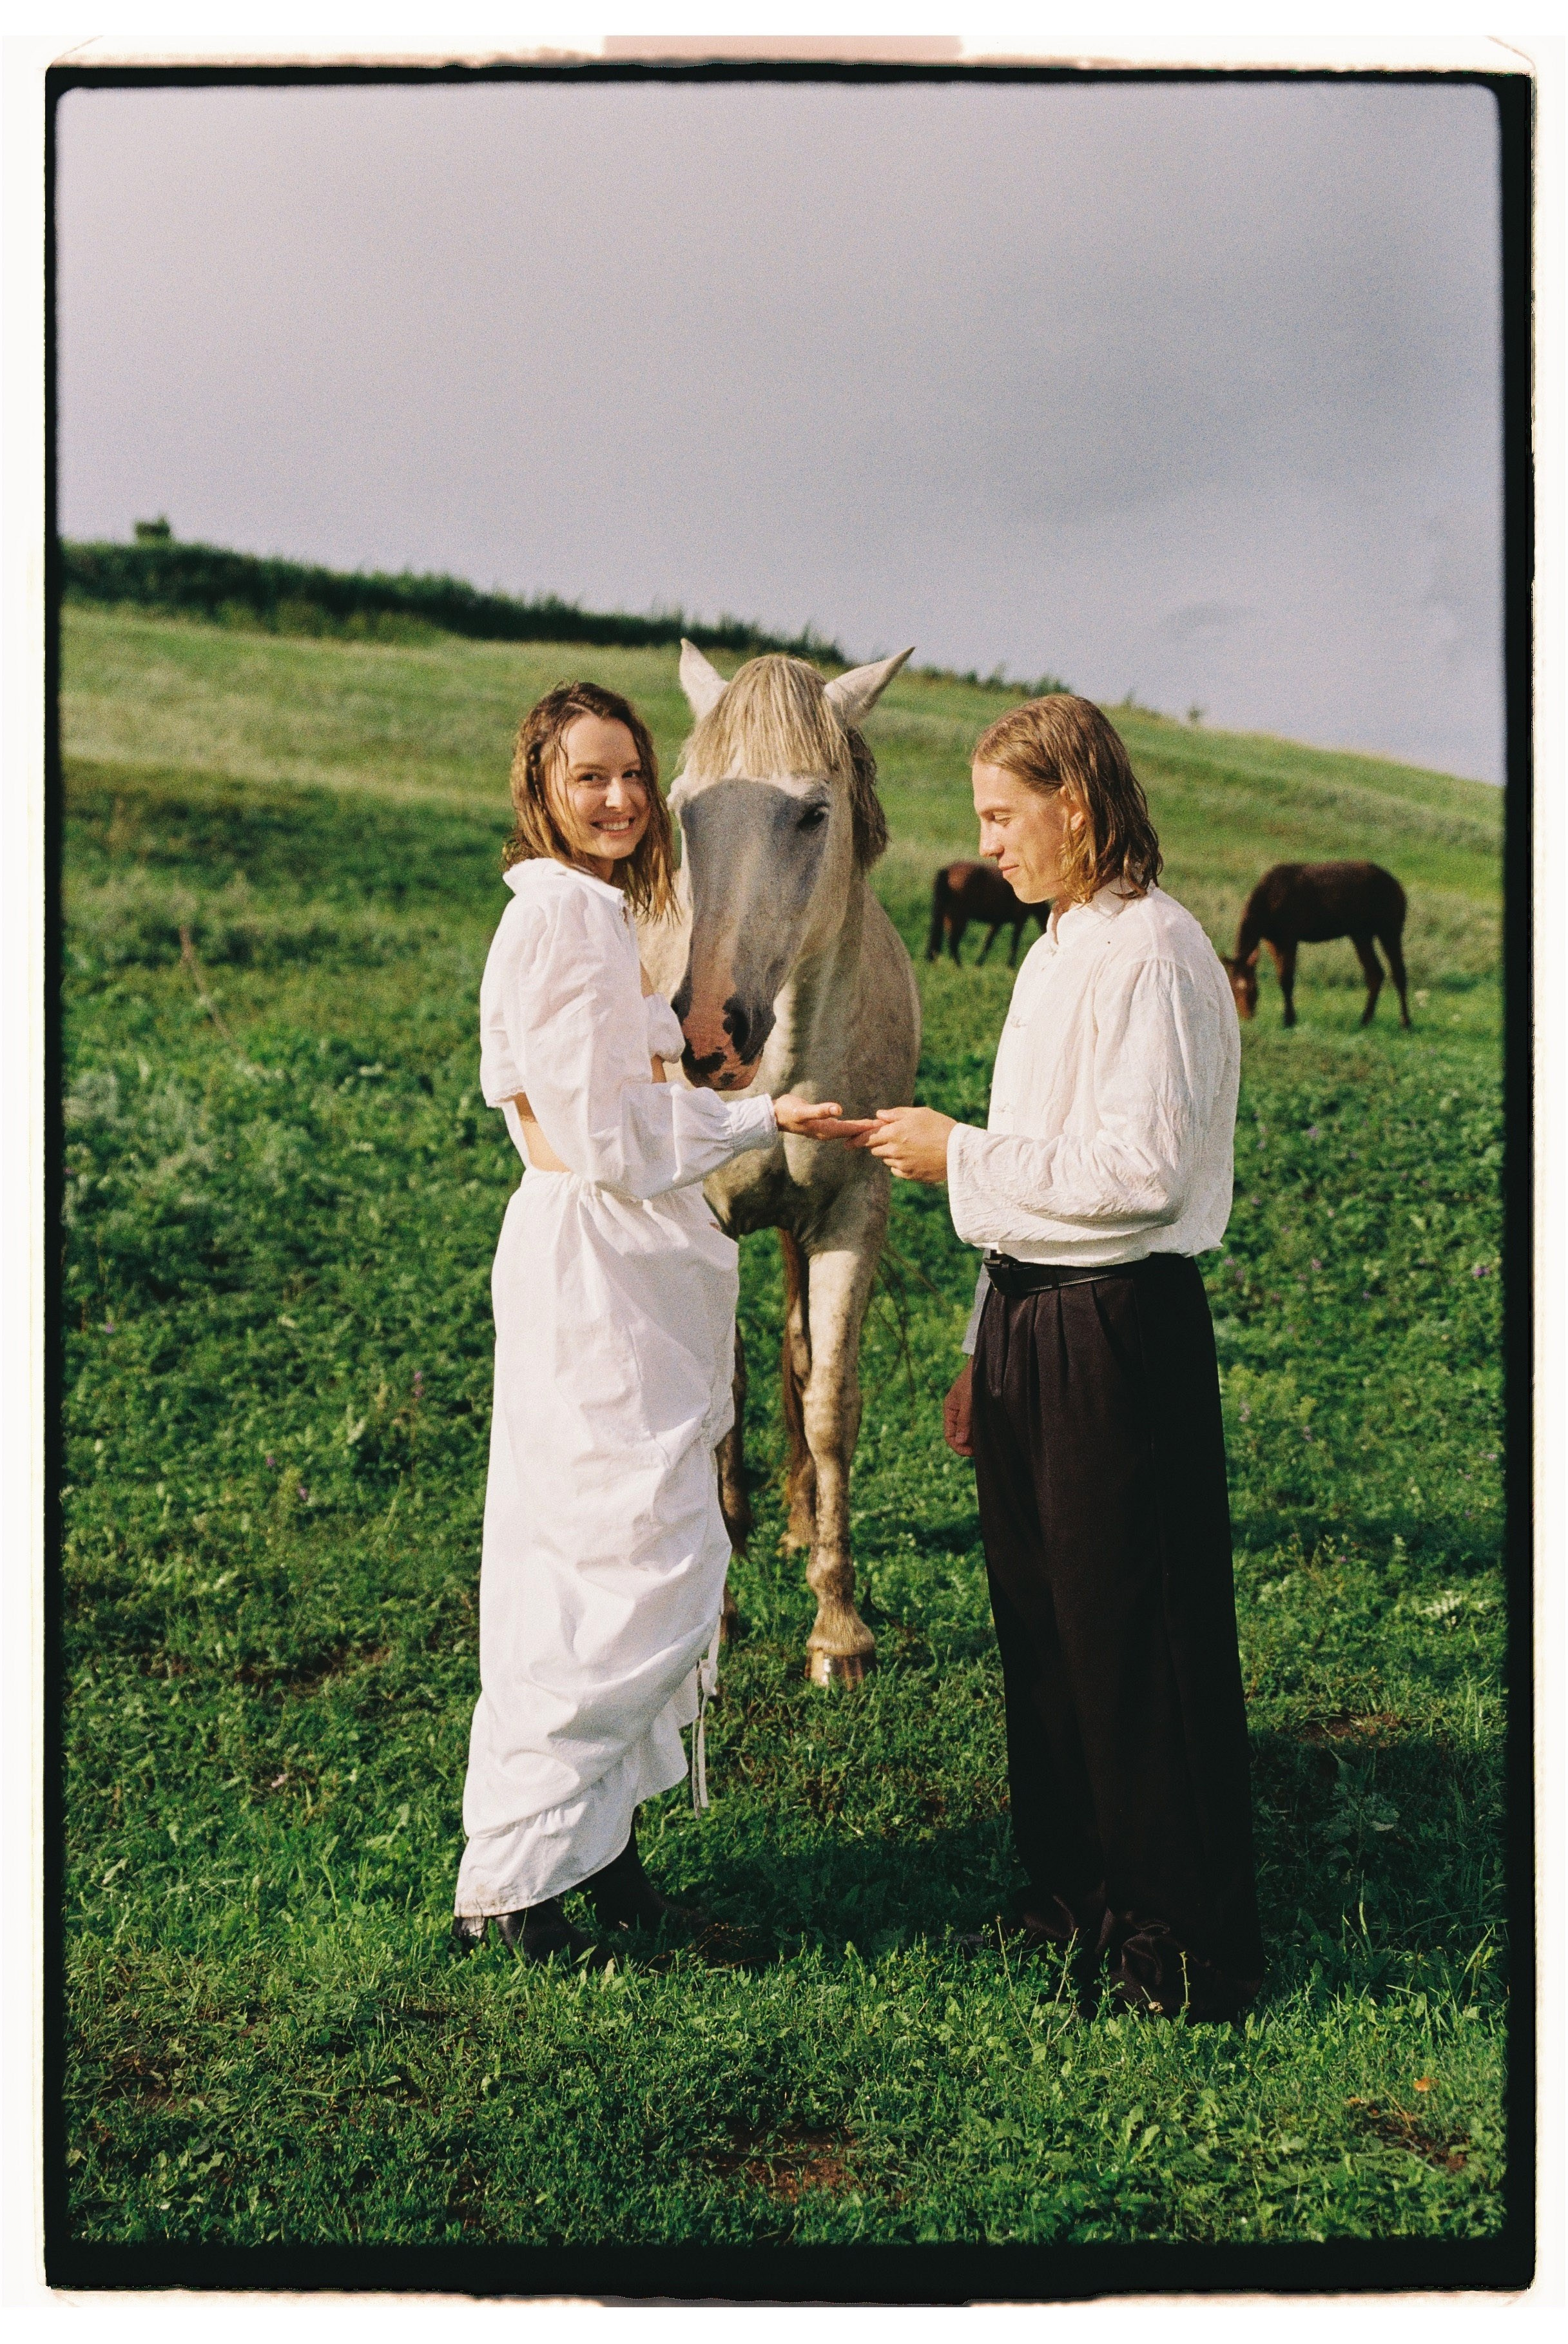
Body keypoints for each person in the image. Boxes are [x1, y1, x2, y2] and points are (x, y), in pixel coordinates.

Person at [849, 694, 1264, 2019]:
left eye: (999, 816)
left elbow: (1136, 1176)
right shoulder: (1054, 948)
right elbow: (1044, 1175)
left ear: (1075, 805)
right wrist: (985, 1341)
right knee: (1041, 1628)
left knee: (1131, 1630)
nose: (986, 846)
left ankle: (1178, 1944)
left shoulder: (1152, 951)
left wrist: (953, 1152)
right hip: (1032, 1321)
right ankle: (1071, 1892)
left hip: (1113, 1326)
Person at [452, 680, 848, 1964]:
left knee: (605, 1551)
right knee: (611, 1567)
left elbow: (588, 1102)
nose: (619, 798)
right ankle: (523, 1888)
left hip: (615, 1263)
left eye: (632, 773)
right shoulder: (564, 927)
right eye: (590, 779)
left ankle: (599, 1861)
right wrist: (755, 1118)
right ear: (541, 790)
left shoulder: (589, 917)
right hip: (599, 1269)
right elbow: (607, 1141)